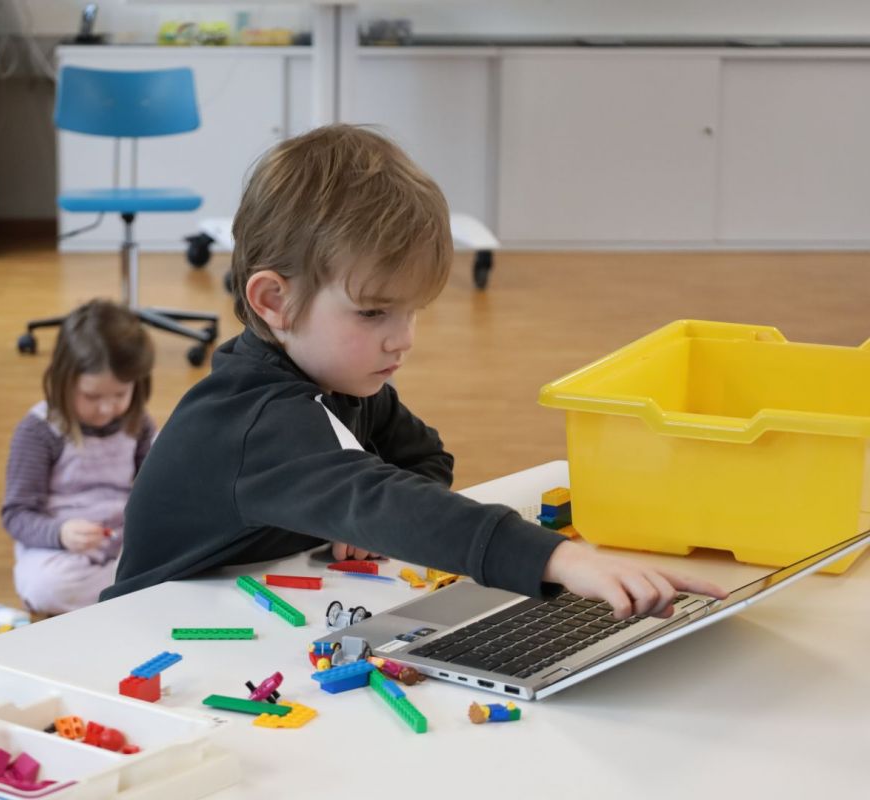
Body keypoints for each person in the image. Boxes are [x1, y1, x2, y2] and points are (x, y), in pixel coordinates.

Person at [104, 125, 726, 618]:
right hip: (146, 630)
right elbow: (384, 497)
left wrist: (358, 523)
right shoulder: (255, 420)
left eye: (412, 312)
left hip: (255, 607)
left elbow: (423, 460)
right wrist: (558, 559)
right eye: (373, 312)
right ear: (275, 301)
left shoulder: (345, 385)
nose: (403, 339)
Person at [2, 299, 157, 614]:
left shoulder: (138, 423)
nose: (106, 408)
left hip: (123, 544)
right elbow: (16, 514)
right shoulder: (39, 431)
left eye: (120, 394)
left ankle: (125, 588)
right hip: (60, 548)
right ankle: (130, 591)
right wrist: (61, 534)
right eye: (91, 396)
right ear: (64, 380)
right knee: (46, 587)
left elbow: (154, 492)